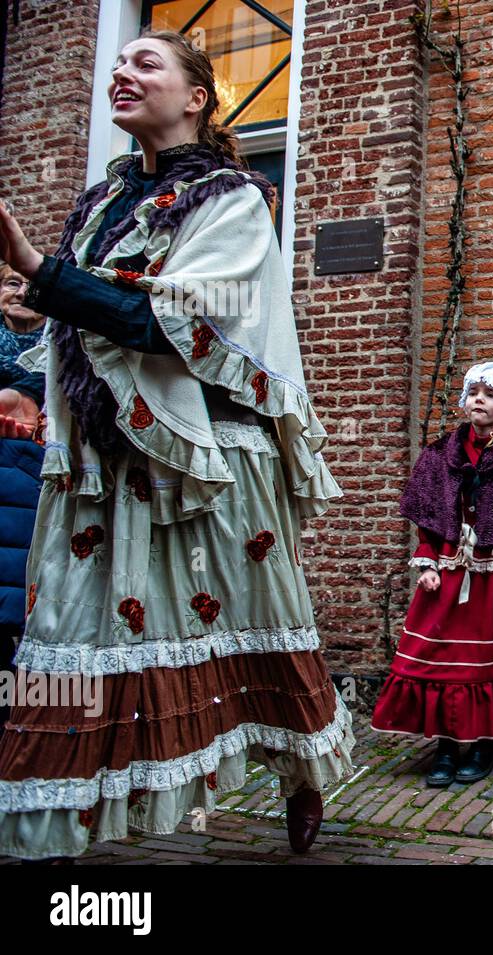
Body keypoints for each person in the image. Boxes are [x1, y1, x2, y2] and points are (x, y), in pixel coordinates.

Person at [0, 31, 353, 860]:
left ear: (197, 97)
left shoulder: (234, 199)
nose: (122, 72)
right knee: (72, 632)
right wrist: (40, 304)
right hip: (103, 457)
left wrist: (40, 271)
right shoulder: (99, 202)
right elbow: (93, 308)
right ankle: (47, 819)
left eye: (146, 63)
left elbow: (172, 320)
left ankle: (302, 777)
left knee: (257, 622)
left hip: (211, 457)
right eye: (116, 64)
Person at [371, 362, 493, 786]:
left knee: (482, 663)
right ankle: (445, 746)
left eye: (490, 395)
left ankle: (483, 743)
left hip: (492, 578)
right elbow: (427, 516)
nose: (479, 400)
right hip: (447, 571)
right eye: (473, 392)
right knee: (437, 659)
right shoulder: (439, 455)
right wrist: (427, 561)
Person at [0, 264, 45, 737]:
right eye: (11, 282)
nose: (22, 292)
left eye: (31, 283)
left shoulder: (63, 349)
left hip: (38, 487)